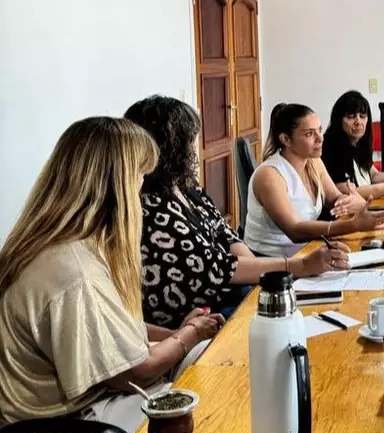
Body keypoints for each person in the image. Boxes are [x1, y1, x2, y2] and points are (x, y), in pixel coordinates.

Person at [0, 117, 223, 433]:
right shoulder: (73, 270)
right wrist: (189, 336)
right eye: (139, 177)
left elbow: (114, 328)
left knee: (207, 366)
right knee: (207, 406)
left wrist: (176, 335)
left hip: (77, 411)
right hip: (59, 431)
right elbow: (135, 372)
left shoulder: (63, 248)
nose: (141, 191)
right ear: (115, 185)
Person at [125, 96, 351, 329]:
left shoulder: (187, 189)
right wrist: (298, 266)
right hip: (202, 317)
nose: (194, 149)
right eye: (189, 141)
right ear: (169, 148)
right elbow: (217, 268)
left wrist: (263, 284)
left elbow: (229, 237)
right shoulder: (151, 206)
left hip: (234, 293)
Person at [244, 103, 384, 257]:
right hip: (273, 262)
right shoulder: (269, 175)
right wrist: (352, 225)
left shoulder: (313, 162)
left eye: (319, 130)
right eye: (309, 134)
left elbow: (335, 199)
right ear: (286, 139)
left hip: (307, 252)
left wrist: (350, 201)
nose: (320, 138)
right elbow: (295, 230)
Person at [321, 90, 384, 200]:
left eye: (362, 116)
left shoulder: (359, 144)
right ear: (339, 120)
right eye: (351, 116)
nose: (358, 122)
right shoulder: (329, 148)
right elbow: (344, 191)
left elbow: (374, 176)